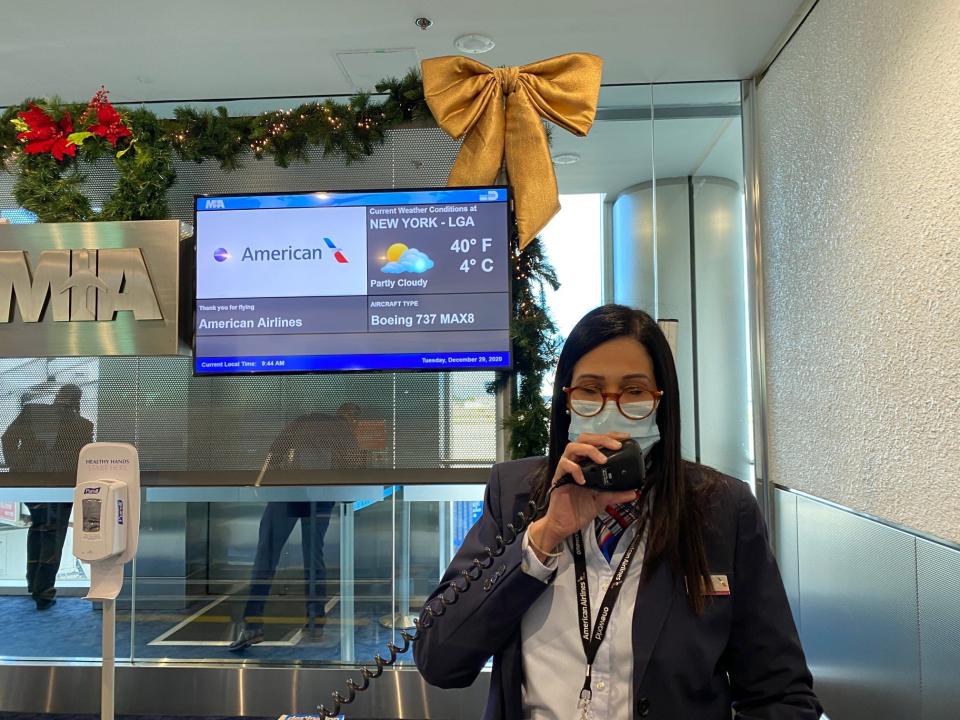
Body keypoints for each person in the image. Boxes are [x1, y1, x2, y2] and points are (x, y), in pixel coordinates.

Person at [414, 305, 822, 720]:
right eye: (590, 390)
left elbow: (781, 694)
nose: (612, 408)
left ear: (661, 401)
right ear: (566, 400)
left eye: (634, 391)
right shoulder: (516, 495)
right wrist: (543, 537)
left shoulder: (721, 508)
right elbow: (439, 660)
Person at [229, 405, 363, 651]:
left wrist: (265, 483)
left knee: (266, 554)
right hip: (320, 495)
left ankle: (252, 624)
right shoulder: (343, 430)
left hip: (286, 491)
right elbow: (353, 465)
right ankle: (315, 623)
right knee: (314, 557)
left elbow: (276, 450)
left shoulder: (304, 421)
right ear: (351, 417)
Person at [1, 385, 93, 611]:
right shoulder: (83, 425)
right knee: (54, 531)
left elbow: (7, 438)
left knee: (39, 526)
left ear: (57, 396)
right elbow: (85, 456)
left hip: (30, 481)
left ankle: (34, 583)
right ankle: (43, 590)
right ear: (78, 401)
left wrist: (17, 465)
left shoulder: (32, 411)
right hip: (62, 485)